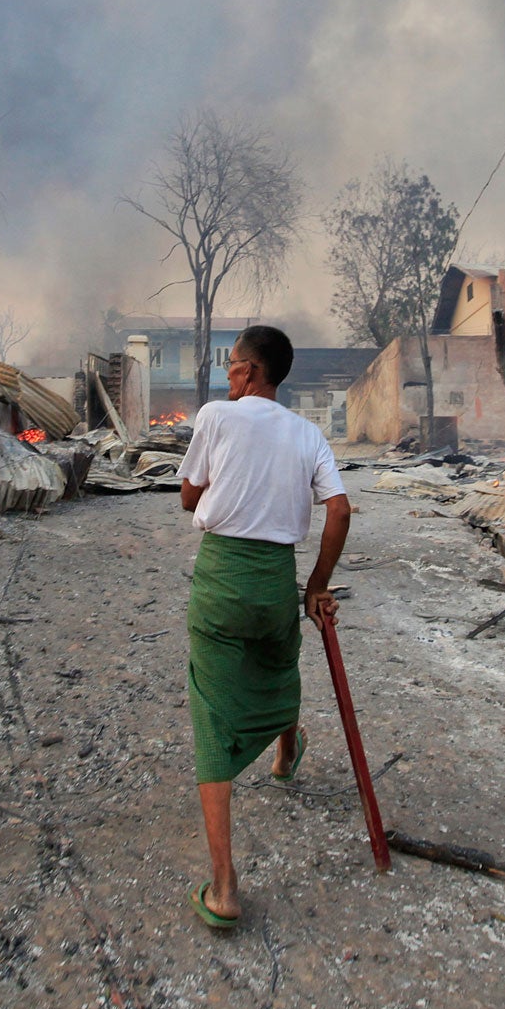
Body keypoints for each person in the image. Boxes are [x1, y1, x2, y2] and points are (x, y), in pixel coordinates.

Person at [175, 324, 351, 929]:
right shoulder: (308, 434)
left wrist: (216, 491)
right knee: (279, 661)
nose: (227, 375)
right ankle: (283, 757)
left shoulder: (217, 417)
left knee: (212, 707)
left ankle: (224, 889)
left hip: (223, 578)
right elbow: (340, 508)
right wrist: (317, 585)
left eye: (231, 366)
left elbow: (187, 496)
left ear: (249, 372)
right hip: (277, 579)